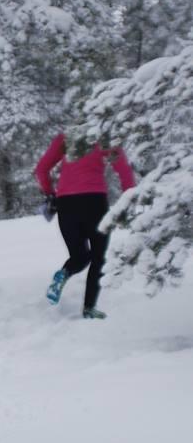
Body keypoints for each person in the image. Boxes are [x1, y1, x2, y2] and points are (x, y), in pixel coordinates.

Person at [35, 132, 135, 318]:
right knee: (98, 257)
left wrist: (50, 194)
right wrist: (129, 197)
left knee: (79, 256)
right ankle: (89, 308)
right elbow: (123, 169)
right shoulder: (104, 137)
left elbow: (41, 169)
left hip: (66, 204)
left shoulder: (65, 138)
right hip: (94, 202)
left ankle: (63, 274)